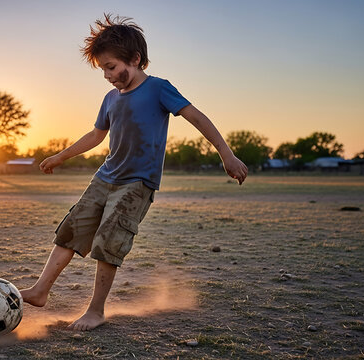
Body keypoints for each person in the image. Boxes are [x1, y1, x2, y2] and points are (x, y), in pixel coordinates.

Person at [19, 14, 248, 331]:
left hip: (137, 183)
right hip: (105, 177)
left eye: (111, 67)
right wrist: (61, 156)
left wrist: (227, 154)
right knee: (71, 229)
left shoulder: (159, 89)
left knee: (109, 240)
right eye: (103, 70)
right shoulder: (110, 98)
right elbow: (96, 135)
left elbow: (197, 117)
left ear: (135, 59)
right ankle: (40, 290)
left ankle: (95, 311)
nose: (108, 76)